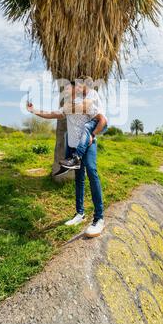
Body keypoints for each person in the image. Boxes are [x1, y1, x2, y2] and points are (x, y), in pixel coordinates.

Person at [26, 80, 107, 237]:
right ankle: (80, 213)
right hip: (73, 146)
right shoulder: (68, 105)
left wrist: (93, 135)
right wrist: (33, 110)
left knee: (91, 172)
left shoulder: (88, 101)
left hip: (88, 145)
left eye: (70, 86)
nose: (66, 89)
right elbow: (51, 114)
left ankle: (99, 218)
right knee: (79, 178)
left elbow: (102, 119)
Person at [59, 80, 107, 170]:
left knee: (86, 127)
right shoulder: (75, 101)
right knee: (67, 135)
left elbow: (99, 116)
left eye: (80, 87)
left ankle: (76, 157)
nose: (78, 89)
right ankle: (69, 163)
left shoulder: (91, 94)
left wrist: (92, 135)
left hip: (98, 122)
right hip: (91, 123)